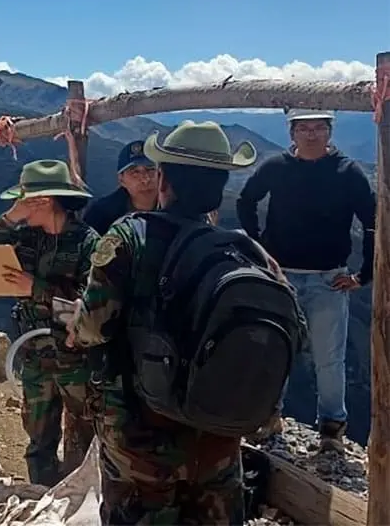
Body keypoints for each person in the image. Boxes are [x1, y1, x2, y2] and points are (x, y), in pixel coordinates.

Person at [66, 120, 303, 525]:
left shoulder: (128, 237)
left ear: (163, 180)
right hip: (217, 432)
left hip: (138, 433)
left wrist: (74, 324)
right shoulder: (249, 254)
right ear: (218, 188)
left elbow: (92, 329)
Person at [236, 108, 376, 451]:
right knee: (275, 350)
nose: (311, 134)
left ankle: (331, 428)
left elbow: (373, 221)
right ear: (292, 133)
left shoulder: (349, 171)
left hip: (329, 278)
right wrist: (258, 247)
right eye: (303, 128)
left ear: (329, 132)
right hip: (281, 275)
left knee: (329, 358)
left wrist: (364, 274)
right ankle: (271, 415)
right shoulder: (275, 166)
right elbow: (246, 200)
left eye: (318, 128)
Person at [0, 159, 100, 487]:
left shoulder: (89, 243)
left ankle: (82, 507)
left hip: (75, 360)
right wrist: (9, 219)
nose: (18, 206)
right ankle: (43, 500)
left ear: (42, 201)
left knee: (84, 438)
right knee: (38, 440)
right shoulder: (27, 238)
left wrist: (36, 289)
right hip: (35, 355)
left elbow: (91, 311)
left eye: (23, 201)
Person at [83, 140, 157, 234]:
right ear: (121, 180)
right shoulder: (101, 214)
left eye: (150, 169)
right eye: (135, 172)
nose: (145, 179)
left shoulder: (176, 208)